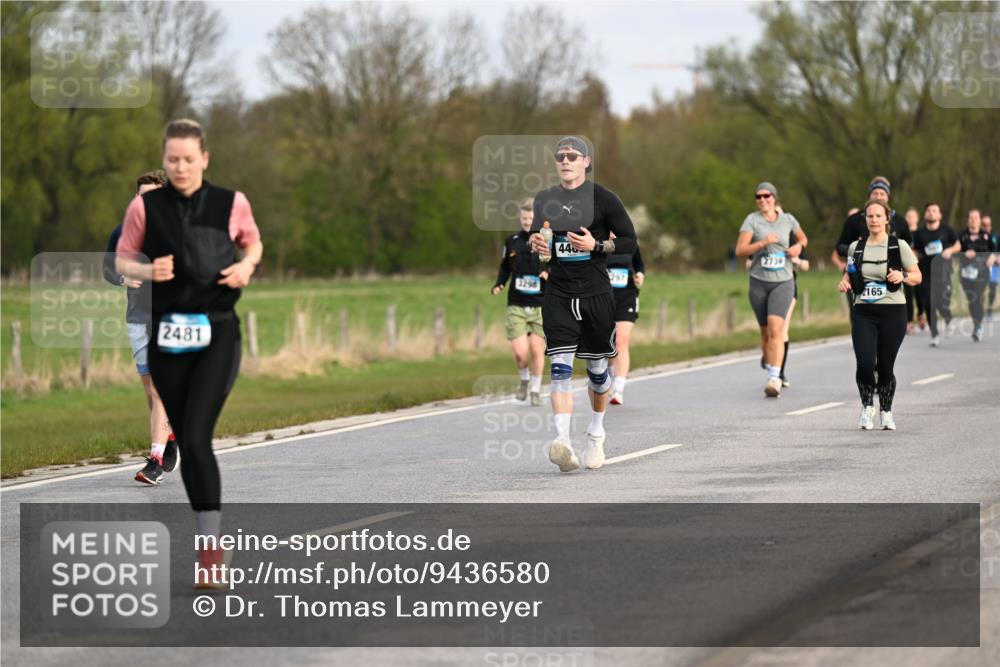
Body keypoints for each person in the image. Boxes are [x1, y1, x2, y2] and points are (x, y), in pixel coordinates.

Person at [117, 118, 263, 586]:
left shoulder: (230, 203)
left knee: (196, 438)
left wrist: (246, 267)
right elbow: (119, 255)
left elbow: (253, 242)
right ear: (165, 160)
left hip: (217, 331)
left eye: (188, 158)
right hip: (166, 335)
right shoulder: (145, 209)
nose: (180, 167)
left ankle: (210, 550)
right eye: (172, 159)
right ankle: (171, 461)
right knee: (189, 438)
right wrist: (143, 270)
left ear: (204, 158)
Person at [528, 136, 637, 472]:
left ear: (586, 161)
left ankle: (595, 433)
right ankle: (562, 441)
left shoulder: (604, 199)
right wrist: (538, 245)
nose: (565, 161)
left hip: (596, 295)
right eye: (560, 156)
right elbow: (538, 237)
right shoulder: (546, 198)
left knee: (597, 373)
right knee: (559, 367)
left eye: (572, 156)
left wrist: (597, 244)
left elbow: (630, 243)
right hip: (559, 293)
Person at [104, 171, 178, 485]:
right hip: (136, 318)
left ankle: (155, 460)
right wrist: (124, 278)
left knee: (159, 389)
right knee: (151, 391)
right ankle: (170, 436)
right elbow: (108, 268)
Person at [838, 199, 921, 430]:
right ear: (865, 219)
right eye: (869, 216)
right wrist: (844, 283)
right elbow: (849, 274)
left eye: (878, 216)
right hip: (864, 310)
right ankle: (867, 407)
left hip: (893, 312)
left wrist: (902, 277)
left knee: (885, 366)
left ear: (886, 219)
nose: (873, 220)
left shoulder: (898, 245)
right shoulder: (857, 247)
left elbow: (917, 276)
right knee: (865, 363)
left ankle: (886, 411)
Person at [735, 182, 807, 397]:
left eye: (766, 196)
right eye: (758, 197)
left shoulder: (788, 220)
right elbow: (740, 250)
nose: (762, 200)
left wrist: (797, 247)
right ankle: (770, 365)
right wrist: (762, 243)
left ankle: (774, 379)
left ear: (774, 198)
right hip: (758, 282)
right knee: (766, 332)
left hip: (783, 282)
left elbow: (803, 237)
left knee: (777, 329)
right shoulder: (752, 221)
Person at [492, 197, 546, 406]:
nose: (526, 222)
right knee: (520, 352)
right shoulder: (512, 241)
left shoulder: (545, 239)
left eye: (530, 218)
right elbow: (505, 266)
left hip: (541, 304)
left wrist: (548, 273)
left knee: (536, 349)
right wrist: (499, 284)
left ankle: (535, 389)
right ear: (520, 218)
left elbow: (555, 263)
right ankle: (524, 380)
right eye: (524, 218)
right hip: (517, 303)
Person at [834, 178, 912, 322]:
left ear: (888, 197)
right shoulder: (854, 220)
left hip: (890, 280)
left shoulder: (900, 221)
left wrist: (902, 270)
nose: (878, 197)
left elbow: (909, 245)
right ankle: (860, 336)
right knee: (856, 311)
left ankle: (908, 319)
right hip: (857, 274)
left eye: (882, 194)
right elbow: (840, 247)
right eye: (875, 193)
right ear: (869, 195)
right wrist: (858, 250)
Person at [911, 202, 961, 347]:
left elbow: (958, 245)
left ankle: (948, 318)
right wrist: (915, 255)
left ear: (939, 214)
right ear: (925, 214)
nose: (931, 213)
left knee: (942, 301)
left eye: (934, 210)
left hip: (944, 272)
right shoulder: (919, 233)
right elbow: (914, 250)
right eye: (928, 211)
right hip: (926, 273)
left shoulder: (947, 230)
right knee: (928, 303)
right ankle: (934, 334)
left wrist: (950, 251)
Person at [606, 235, 645, 405]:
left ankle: (618, 389)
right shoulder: (596, 241)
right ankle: (607, 375)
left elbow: (639, 264)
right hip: (603, 298)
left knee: (621, 341)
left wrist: (640, 275)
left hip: (626, 297)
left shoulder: (629, 242)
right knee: (607, 345)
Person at [958, 209, 995, 342]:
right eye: (971, 218)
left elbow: (994, 251)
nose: (974, 220)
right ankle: (976, 323)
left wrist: (992, 257)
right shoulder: (961, 236)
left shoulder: (986, 235)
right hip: (966, 273)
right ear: (968, 220)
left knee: (978, 296)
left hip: (982, 272)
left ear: (980, 220)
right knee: (972, 299)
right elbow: (955, 252)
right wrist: (963, 254)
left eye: (976, 218)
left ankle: (978, 327)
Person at [779, 229, 809, 387]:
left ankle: (779, 373)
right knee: (769, 331)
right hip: (765, 288)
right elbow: (749, 262)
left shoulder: (794, 240)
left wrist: (795, 259)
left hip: (788, 288)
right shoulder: (761, 237)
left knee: (782, 329)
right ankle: (770, 355)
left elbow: (806, 265)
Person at [903, 207, 921, 333]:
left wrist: (916, 253)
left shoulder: (921, 233)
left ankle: (920, 314)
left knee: (921, 295)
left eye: (912, 216)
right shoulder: (903, 234)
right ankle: (909, 321)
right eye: (908, 216)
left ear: (917, 219)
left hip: (920, 267)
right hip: (907, 268)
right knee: (908, 295)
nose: (910, 219)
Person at [983, 214, 998, 321]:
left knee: (992, 287)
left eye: (988, 225)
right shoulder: (976, 237)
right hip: (980, 266)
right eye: (984, 225)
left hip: (994, 267)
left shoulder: (995, 237)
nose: (986, 227)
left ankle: (989, 309)